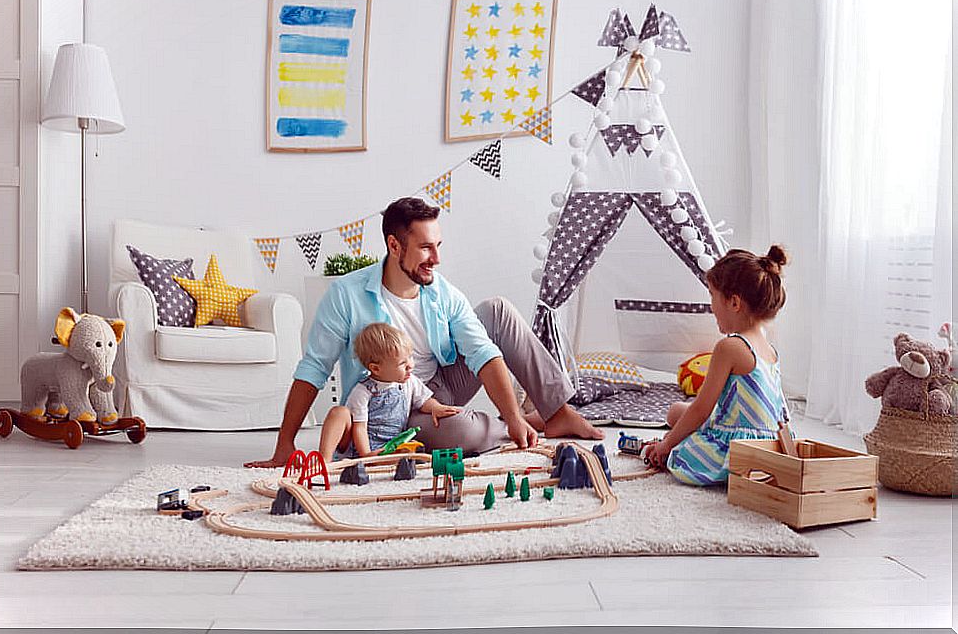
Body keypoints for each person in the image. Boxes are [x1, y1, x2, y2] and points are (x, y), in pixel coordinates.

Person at [245, 197, 602, 468]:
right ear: (394, 246)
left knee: (498, 311)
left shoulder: (441, 291)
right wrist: (284, 445)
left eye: (438, 246)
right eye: (425, 248)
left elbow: (482, 352)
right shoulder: (346, 295)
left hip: (443, 382)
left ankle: (554, 415)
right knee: (466, 434)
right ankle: (516, 424)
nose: (436, 258)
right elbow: (313, 369)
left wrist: (509, 414)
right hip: (397, 407)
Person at [642, 246, 791, 485]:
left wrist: (666, 445)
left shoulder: (729, 347)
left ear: (733, 302)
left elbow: (701, 408)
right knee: (676, 411)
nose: (711, 305)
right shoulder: (768, 349)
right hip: (770, 444)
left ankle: (679, 446)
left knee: (682, 424)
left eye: (712, 294)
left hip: (737, 450)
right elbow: (780, 412)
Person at [318, 322, 462, 460]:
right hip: (360, 446)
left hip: (391, 445)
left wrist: (436, 408)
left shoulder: (409, 381)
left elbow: (424, 400)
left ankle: (386, 458)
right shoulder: (363, 391)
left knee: (413, 451)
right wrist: (367, 455)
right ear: (376, 369)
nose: (410, 366)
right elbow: (359, 428)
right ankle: (325, 459)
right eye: (402, 363)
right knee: (339, 412)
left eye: (410, 357)